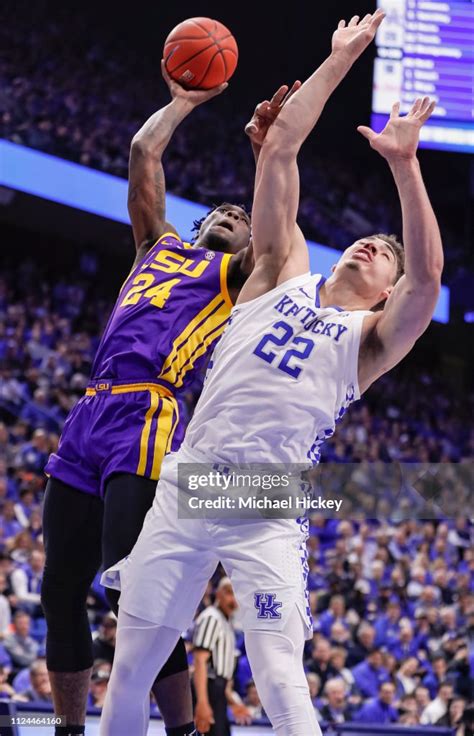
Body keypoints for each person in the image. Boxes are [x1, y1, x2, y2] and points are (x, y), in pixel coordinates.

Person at [101, 8, 443, 734]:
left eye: (385, 251)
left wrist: (405, 167)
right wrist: (343, 56)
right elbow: (283, 147)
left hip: (267, 496)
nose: (370, 246)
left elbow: (429, 278)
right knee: (128, 671)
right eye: (367, 238)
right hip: (192, 476)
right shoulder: (278, 273)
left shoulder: (372, 337)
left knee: (285, 683)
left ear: (386, 288)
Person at [39, 58, 268, 736]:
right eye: (223, 208)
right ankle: (69, 729)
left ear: (248, 243)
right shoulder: (154, 246)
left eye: (243, 215)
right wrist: (181, 101)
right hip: (89, 412)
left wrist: (269, 154)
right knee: (58, 590)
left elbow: (279, 226)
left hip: (149, 412)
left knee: (128, 592)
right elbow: (144, 152)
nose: (233, 211)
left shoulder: (234, 276)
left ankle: (180, 730)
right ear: (198, 222)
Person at [192, 577, 251, 735]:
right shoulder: (211, 618)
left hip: (219, 691)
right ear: (218, 594)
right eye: (229, 593)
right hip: (208, 689)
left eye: (237, 594)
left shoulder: (227, 624)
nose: (233, 599)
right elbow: (200, 661)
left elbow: (222, 676)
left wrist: (233, 703)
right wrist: (202, 703)